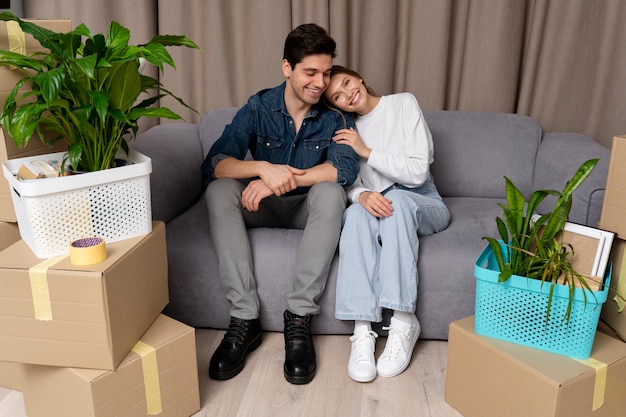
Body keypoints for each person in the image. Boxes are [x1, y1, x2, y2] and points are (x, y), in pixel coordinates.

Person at [201, 25, 359, 385]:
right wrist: (261, 168)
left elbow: (344, 170)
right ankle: (244, 320)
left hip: (309, 211)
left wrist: (287, 177)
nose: (321, 83)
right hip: (262, 208)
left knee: (331, 192)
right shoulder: (259, 106)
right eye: (310, 72)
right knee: (219, 190)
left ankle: (299, 319)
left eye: (327, 72)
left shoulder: (335, 116)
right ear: (287, 68)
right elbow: (214, 164)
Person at [323, 65, 450, 382]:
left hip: (423, 200)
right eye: (337, 95)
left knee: (399, 204)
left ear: (358, 77)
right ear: (336, 106)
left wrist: (366, 150)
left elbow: (418, 171)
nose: (348, 94)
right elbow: (347, 180)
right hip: (379, 203)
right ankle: (363, 332)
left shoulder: (403, 103)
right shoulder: (346, 130)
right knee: (353, 214)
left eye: (347, 83)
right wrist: (362, 195)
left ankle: (404, 323)